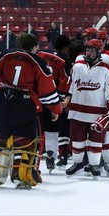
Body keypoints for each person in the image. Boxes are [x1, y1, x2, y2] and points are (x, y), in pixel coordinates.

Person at [0, 33, 62, 188]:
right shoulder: (38, 61)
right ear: (34, 46)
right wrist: (55, 109)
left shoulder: (3, 55)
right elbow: (47, 88)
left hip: (2, 101)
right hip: (24, 104)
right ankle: (20, 174)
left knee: (0, 136)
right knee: (23, 139)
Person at [64, 39, 109, 179]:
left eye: (92, 50)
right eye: (87, 50)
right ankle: (77, 163)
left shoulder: (107, 69)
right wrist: (66, 101)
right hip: (77, 110)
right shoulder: (77, 66)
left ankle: (94, 165)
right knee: (77, 140)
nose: (89, 52)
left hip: (97, 112)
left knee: (96, 140)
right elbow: (70, 86)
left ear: (99, 52)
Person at [37, 35, 72, 173]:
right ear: (66, 47)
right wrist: (62, 101)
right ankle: (52, 154)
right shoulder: (64, 60)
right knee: (53, 128)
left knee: (39, 129)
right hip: (53, 98)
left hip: (39, 97)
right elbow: (65, 81)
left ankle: (40, 155)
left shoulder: (41, 55)